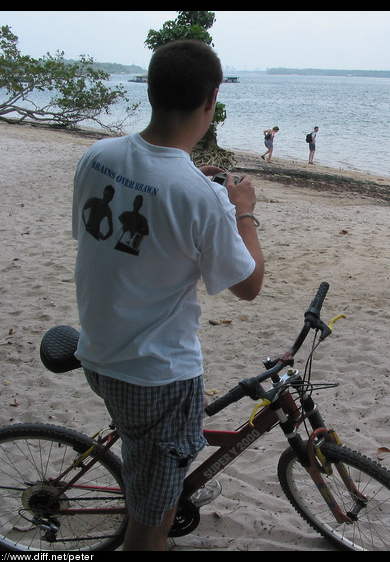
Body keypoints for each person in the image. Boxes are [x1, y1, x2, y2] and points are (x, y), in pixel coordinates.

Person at [71, 39, 264, 551]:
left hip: (98, 352)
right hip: (155, 375)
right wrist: (242, 207)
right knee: (149, 529)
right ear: (211, 101)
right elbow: (248, 286)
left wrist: (184, 189)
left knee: (148, 457)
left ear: (150, 89)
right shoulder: (203, 197)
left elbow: (110, 234)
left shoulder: (98, 155)